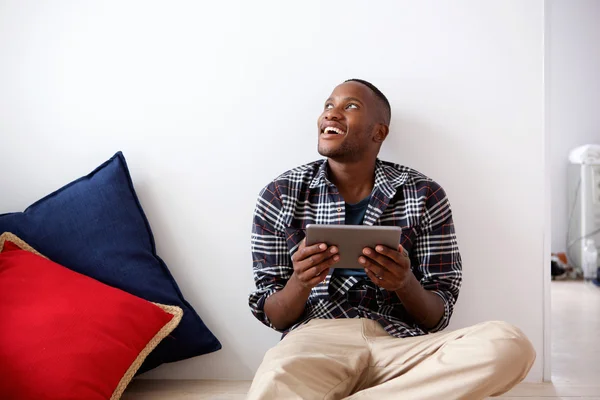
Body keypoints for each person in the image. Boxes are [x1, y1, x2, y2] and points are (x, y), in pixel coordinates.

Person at [247, 79, 535, 399]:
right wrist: (301, 281)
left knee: (508, 344)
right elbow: (273, 314)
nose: (331, 113)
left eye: (350, 106)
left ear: (379, 132)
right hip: (315, 342)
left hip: (401, 346)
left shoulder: (424, 193)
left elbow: (437, 315)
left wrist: (404, 282)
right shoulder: (280, 193)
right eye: (328, 105)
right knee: (275, 380)